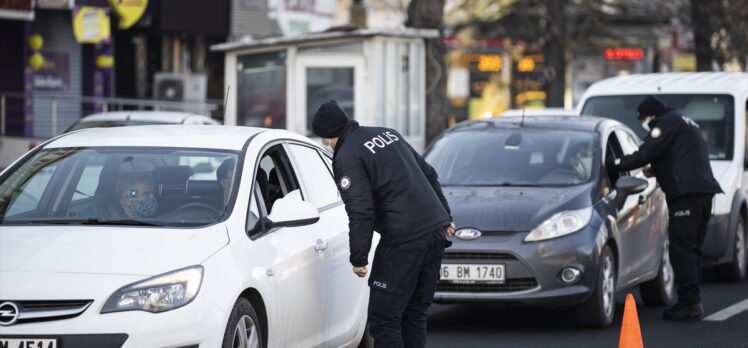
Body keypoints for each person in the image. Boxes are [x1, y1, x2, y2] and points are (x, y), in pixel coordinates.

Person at [312, 100, 455, 348]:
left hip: (403, 242)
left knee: (383, 319)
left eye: (324, 140)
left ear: (327, 136)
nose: (325, 144)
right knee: (414, 315)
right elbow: (429, 172)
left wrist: (359, 258)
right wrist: (446, 216)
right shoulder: (387, 133)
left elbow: (361, 210)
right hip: (435, 232)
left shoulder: (346, 157)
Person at [607, 95, 722, 321]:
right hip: (702, 192)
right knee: (692, 249)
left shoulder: (665, 123)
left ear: (651, 114)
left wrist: (615, 164)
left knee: (681, 249)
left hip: (686, 195)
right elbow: (678, 156)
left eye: (643, 119)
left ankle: (689, 303)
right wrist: (658, 169)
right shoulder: (683, 121)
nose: (645, 124)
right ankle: (692, 301)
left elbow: (646, 152)